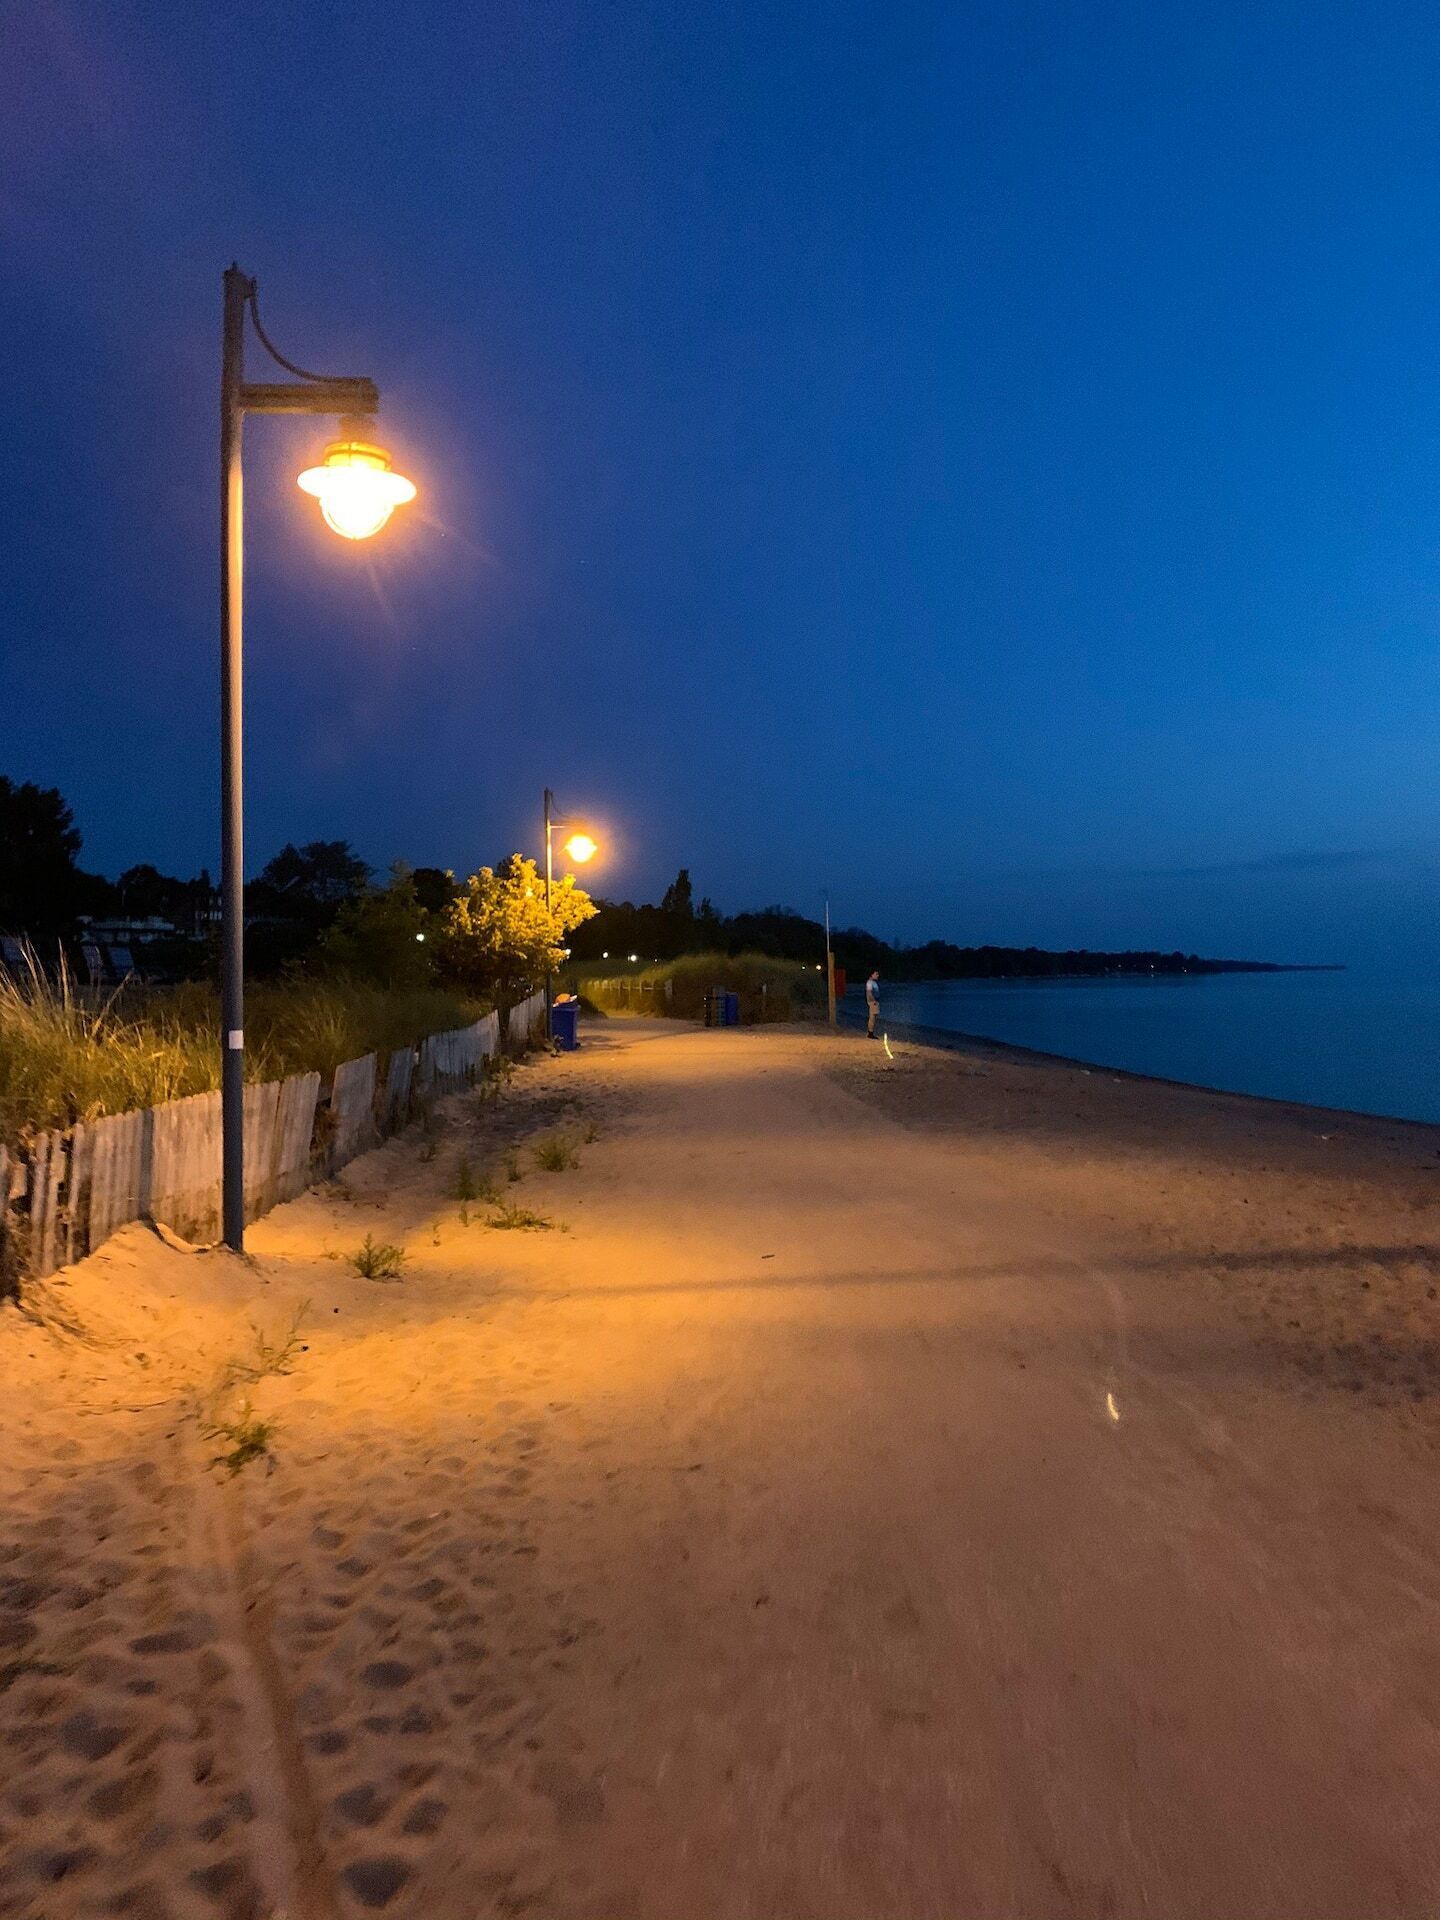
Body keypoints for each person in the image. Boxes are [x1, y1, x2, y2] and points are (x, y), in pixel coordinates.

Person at [865, 970, 881, 1038]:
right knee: (872, 1017)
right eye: (876, 974)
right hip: (873, 1002)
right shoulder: (870, 983)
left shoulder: (872, 982)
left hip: (874, 1001)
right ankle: (870, 1033)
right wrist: (873, 1001)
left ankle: (871, 1032)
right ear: (872, 975)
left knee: (873, 1017)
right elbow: (869, 993)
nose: (877, 975)